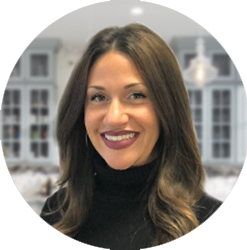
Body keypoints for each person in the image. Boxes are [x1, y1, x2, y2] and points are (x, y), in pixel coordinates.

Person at [40, 23, 222, 249]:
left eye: (136, 95)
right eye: (98, 97)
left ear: (167, 108)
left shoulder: (211, 220)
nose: (114, 118)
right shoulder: (56, 213)